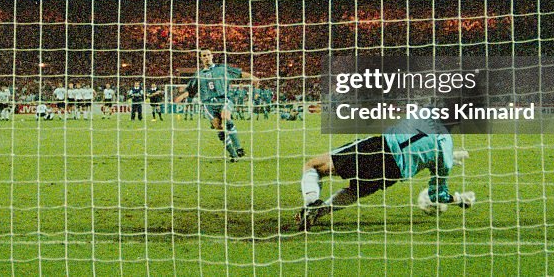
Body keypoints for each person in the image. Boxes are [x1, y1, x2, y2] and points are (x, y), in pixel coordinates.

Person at [296, 116, 474, 230]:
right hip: (393, 172)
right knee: (355, 191)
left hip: (380, 148)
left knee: (313, 166)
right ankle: (318, 213)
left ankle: (311, 204)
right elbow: (438, 195)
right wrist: (458, 199)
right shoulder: (445, 151)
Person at [174, 49, 257, 162]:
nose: (206, 57)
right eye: (204, 56)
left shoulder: (222, 68)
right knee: (219, 127)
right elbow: (191, 90)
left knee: (226, 117)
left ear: (212, 56)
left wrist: (252, 77)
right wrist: (182, 96)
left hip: (224, 99)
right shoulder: (198, 75)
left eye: (208, 55)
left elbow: (240, 73)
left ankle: (239, 148)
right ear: (201, 58)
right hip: (208, 104)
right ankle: (233, 155)